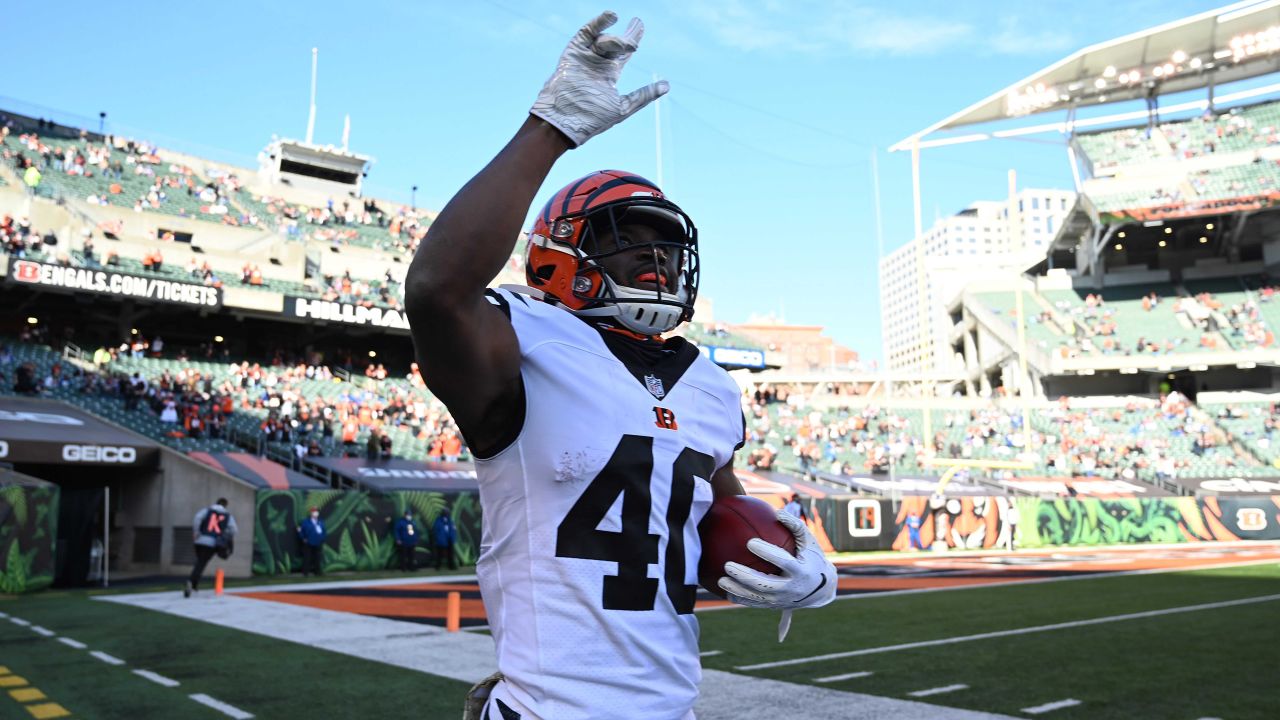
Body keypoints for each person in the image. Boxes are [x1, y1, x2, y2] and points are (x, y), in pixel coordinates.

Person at [403, 13, 835, 719]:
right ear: (561, 255)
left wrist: (798, 562)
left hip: (672, 706)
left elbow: (715, 511)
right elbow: (435, 291)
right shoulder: (528, 344)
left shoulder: (710, 386)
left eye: (666, 248)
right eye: (628, 240)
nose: (656, 260)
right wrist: (551, 127)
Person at [186, 497, 236, 597]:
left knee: (200, 562)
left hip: (200, 541)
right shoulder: (227, 516)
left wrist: (196, 532)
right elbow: (234, 530)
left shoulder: (207, 511)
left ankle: (194, 585)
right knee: (201, 563)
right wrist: (224, 536)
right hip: (212, 543)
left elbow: (197, 518)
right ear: (225, 505)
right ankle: (191, 581)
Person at [297, 506, 326, 576]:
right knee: (307, 558)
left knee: (317, 558)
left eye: (316, 511)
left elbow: (324, 531)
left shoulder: (320, 522)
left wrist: (322, 538)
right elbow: (301, 531)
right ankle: (306, 572)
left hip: (318, 542)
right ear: (311, 513)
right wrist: (303, 538)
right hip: (308, 542)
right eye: (314, 512)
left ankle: (317, 572)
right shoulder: (306, 522)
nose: (315, 513)